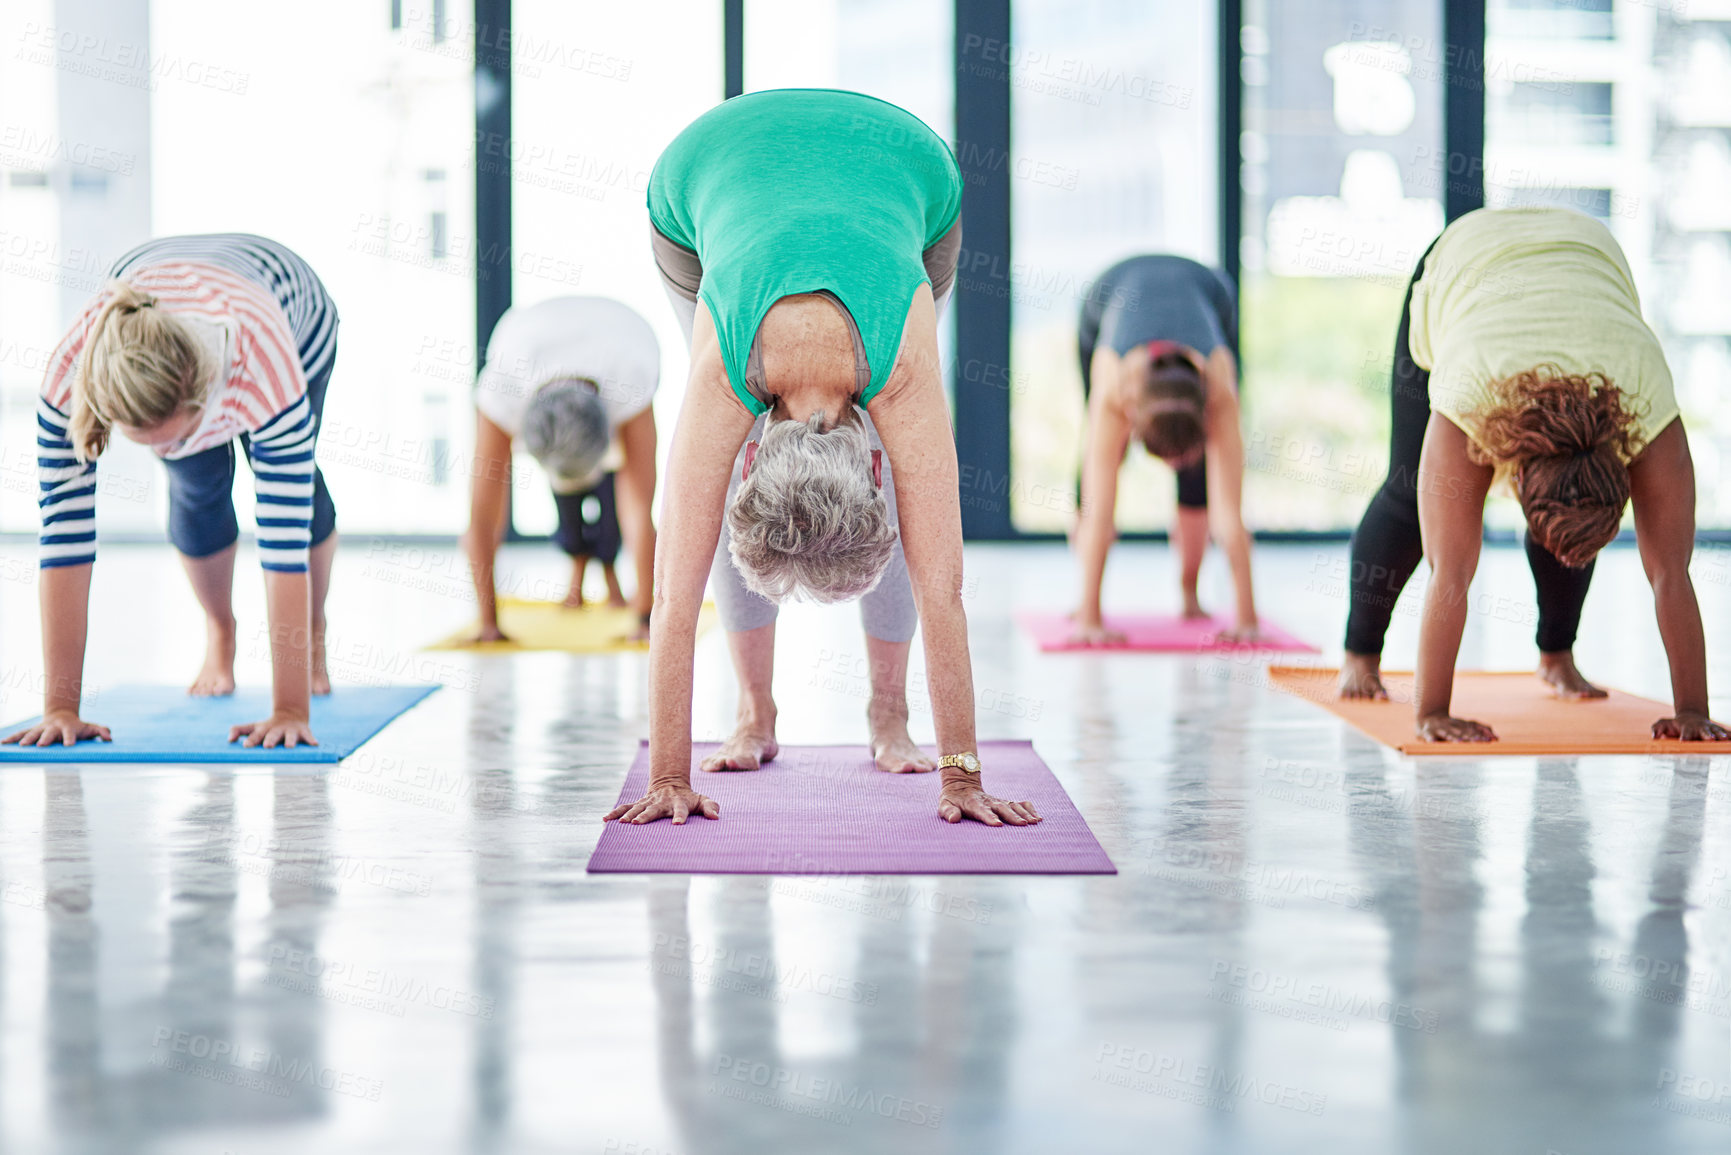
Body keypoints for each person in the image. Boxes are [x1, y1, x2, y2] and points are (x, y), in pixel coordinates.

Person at [605, 88, 1040, 828]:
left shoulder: (903, 370)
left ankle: (889, 711)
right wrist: (666, 774)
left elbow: (944, 588)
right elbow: (672, 596)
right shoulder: (722, 377)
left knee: (919, 485)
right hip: (700, 174)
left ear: (870, 469)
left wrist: (960, 772)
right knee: (713, 455)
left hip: (909, 170)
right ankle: (753, 709)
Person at [1339, 206, 1728, 743]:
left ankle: (1556, 656)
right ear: (1518, 483)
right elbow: (1448, 573)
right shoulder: (1468, 402)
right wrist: (1432, 712)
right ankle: (1359, 655)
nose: (1573, 561)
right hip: (1465, 263)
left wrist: (1691, 709)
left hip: (1583, 252)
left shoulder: (1649, 407)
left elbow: (1671, 574)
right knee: (1408, 495)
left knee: (1574, 522)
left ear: (1625, 471)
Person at [4, 233, 339, 750]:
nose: (168, 449)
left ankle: (313, 629)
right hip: (168, 308)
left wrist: (290, 709)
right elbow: (64, 537)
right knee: (197, 486)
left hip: (296, 313)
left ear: (205, 393)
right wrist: (61, 708)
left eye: (179, 435)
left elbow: (281, 534)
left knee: (296, 490)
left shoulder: (264, 369)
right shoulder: (66, 381)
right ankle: (220, 629)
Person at [1070, 255, 1258, 645]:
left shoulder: (1218, 384)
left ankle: (1190, 593)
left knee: (1200, 479)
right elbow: (1098, 509)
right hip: (1108, 290)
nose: (1172, 465)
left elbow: (1230, 514)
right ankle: (1083, 598)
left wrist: (1247, 617)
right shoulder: (1114, 388)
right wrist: (1090, 619)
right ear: (1134, 419)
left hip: (1208, 291)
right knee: (1097, 463)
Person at [461, 296, 659, 642]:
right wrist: (488, 624)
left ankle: (637, 604)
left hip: (619, 331)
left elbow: (640, 508)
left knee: (627, 504)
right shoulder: (503, 390)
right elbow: (481, 517)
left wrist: (645, 619)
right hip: (535, 341)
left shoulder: (631, 375)